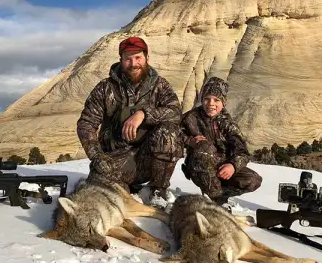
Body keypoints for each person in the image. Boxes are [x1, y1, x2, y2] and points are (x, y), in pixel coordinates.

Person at [76, 36, 183, 202]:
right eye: (128, 59)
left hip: (149, 156)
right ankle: (126, 187)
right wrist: (97, 157)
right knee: (101, 187)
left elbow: (175, 112)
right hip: (116, 158)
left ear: (147, 58)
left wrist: (143, 114)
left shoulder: (160, 85)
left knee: (169, 132)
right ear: (121, 60)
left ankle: (157, 191)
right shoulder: (105, 88)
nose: (133, 64)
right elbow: (86, 124)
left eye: (138, 57)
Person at [180, 76, 262, 207]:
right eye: (207, 99)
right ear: (202, 100)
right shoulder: (191, 117)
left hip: (221, 166)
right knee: (205, 148)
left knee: (253, 180)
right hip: (198, 165)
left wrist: (232, 166)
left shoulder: (228, 123)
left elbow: (243, 153)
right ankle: (213, 198)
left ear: (223, 102)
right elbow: (173, 133)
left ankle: (219, 196)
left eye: (216, 100)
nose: (211, 103)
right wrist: (189, 140)